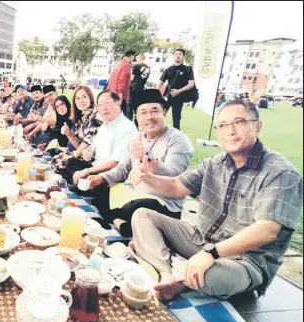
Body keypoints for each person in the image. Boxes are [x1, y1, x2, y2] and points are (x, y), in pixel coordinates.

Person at [131, 99, 303, 301]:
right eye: (222, 125)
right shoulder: (215, 163)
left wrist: (211, 254)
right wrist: (146, 177)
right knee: (142, 215)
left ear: (258, 127)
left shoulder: (281, 173)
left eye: (238, 122)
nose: (230, 131)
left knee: (212, 276)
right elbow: (176, 186)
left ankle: (181, 279)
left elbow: (267, 230)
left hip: (244, 261)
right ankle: (166, 274)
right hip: (203, 242)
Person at [86, 89, 194, 234]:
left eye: (154, 111)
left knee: (138, 207)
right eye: (143, 112)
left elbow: (175, 178)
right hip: (134, 193)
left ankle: (115, 219)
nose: (149, 117)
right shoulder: (139, 137)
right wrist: (102, 178)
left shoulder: (178, 140)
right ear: (137, 117)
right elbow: (124, 168)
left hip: (162, 202)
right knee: (100, 190)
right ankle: (121, 222)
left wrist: (150, 158)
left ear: (165, 113)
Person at [66, 90, 138, 188]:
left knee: (83, 179)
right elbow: (92, 148)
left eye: (107, 103)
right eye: (100, 104)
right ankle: (79, 186)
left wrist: (86, 171)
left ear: (118, 103)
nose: (104, 108)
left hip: (109, 174)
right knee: (70, 163)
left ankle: (80, 187)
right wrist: (87, 153)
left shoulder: (126, 128)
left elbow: (114, 163)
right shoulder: (105, 125)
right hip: (95, 166)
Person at [52, 86, 95, 179]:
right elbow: (78, 145)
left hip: (92, 158)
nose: (81, 101)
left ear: (90, 98)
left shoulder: (95, 114)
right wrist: (68, 134)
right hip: (82, 155)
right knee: (55, 160)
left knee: (66, 163)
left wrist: (74, 155)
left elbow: (90, 138)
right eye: (77, 98)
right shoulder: (80, 119)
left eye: (84, 97)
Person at [158, 48, 195, 130]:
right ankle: (159, 133)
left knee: (176, 118)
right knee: (160, 115)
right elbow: (160, 82)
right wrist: (155, 94)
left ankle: (176, 138)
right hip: (167, 96)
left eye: (180, 54)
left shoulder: (188, 69)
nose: (178, 56)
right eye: (176, 54)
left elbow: (191, 84)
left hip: (179, 97)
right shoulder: (168, 69)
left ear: (183, 56)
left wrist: (178, 91)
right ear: (173, 56)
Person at [107, 51, 135, 119]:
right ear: (131, 57)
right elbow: (123, 80)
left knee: (113, 116)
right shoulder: (127, 65)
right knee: (122, 117)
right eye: (133, 57)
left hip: (111, 92)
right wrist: (120, 95)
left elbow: (111, 79)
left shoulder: (118, 65)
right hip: (120, 95)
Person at [128, 53, 150, 123]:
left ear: (140, 58)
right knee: (138, 108)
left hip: (133, 89)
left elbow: (131, 78)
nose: (136, 59)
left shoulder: (137, 66)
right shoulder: (148, 67)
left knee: (130, 107)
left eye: (137, 58)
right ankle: (137, 125)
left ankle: (129, 124)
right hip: (141, 90)